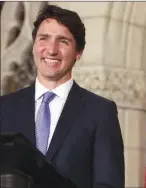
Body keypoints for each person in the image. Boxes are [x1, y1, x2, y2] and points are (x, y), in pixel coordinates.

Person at [0, 5, 124, 188]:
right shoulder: (4, 108)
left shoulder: (100, 112)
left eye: (63, 41)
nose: (51, 50)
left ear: (78, 53)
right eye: (44, 39)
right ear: (33, 46)